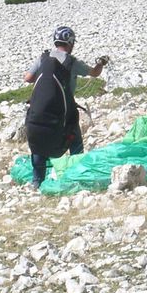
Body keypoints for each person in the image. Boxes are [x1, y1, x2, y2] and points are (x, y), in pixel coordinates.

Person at [23, 25, 108, 189]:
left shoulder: (43, 58)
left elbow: (28, 78)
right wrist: (101, 63)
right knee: (74, 139)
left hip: (38, 113)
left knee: (38, 143)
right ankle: (78, 174)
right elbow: (94, 73)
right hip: (63, 113)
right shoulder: (72, 62)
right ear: (70, 42)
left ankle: (36, 181)